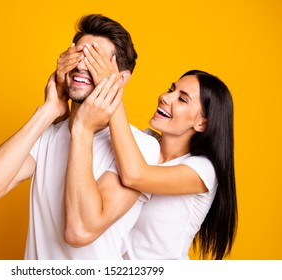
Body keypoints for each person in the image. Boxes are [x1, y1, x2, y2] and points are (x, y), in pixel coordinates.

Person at [0, 14, 160, 259]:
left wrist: (82, 129)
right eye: (77, 56)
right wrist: (48, 111)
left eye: (95, 60)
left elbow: (80, 231)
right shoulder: (49, 134)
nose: (81, 66)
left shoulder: (142, 147)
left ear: (120, 79)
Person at [67, 45, 237, 260]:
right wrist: (71, 78)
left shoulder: (203, 171)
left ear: (202, 122)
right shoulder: (142, 143)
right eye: (171, 89)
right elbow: (81, 127)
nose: (166, 97)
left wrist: (112, 88)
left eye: (182, 99)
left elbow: (135, 175)